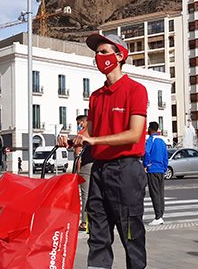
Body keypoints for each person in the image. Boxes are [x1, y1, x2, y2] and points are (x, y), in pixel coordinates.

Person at [58, 33, 148, 269]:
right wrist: (72, 140)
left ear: (120, 56)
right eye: (96, 53)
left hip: (126, 170)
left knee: (131, 235)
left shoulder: (136, 90)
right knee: (97, 235)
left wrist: (95, 140)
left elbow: (135, 134)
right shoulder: (96, 97)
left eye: (104, 52)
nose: (99, 57)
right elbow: (90, 136)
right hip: (98, 171)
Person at [143, 121, 168, 226]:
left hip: (153, 169)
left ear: (150, 129)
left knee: (154, 194)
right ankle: (161, 214)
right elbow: (165, 155)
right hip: (161, 170)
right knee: (161, 193)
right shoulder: (162, 141)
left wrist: (146, 164)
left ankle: (158, 216)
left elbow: (146, 152)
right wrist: (165, 167)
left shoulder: (150, 140)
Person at [74, 114, 93, 232]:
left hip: (86, 167)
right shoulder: (94, 133)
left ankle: (85, 222)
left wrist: (78, 171)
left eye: (79, 123)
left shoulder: (81, 135)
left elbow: (78, 155)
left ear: (83, 122)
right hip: (96, 164)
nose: (79, 126)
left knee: (85, 195)